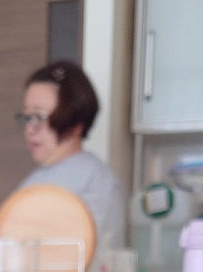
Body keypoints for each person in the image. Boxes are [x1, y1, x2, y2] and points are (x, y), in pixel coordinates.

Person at [15, 60, 127, 251]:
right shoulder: (34, 181)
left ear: (76, 123)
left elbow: (77, 255)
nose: (30, 129)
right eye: (27, 117)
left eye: (39, 116)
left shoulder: (95, 181)